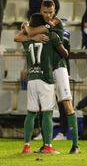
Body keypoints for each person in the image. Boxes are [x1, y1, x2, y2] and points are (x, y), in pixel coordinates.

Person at [15, 0, 80, 154]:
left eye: (51, 12)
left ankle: (75, 145)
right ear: (40, 11)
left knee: (67, 104)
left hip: (59, 67)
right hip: (45, 70)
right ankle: (46, 145)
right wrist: (31, 34)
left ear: (55, 11)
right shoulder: (39, 24)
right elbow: (21, 37)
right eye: (45, 12)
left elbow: (28, 34)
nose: (48, 15)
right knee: (42, 108)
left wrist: (28, 30)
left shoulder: (57, 24)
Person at [19, 13, 68, 154]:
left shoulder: (27, 39)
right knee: (47, 113)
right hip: (46, 79)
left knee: (30, 113)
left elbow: (18, 37)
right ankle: (48, 146)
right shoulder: (50, 37)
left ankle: (26, 146)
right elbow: (64, 53)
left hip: (32, 78)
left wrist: (28, 31)